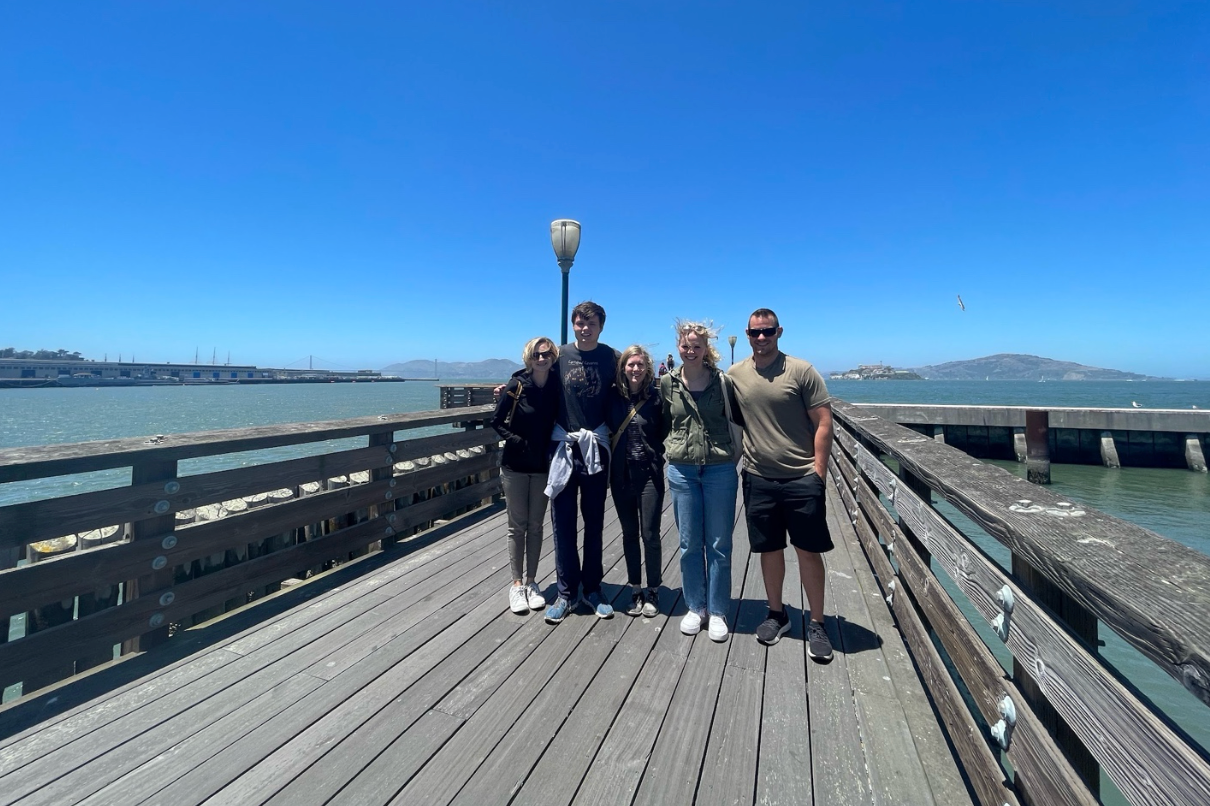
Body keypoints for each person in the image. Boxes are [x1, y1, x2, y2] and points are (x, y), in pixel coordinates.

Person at [727, 308, 835, 662]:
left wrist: (818, 473)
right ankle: (777, 614)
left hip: (802, 477)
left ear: (779, 332)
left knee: (808, 550)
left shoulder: (801, 371)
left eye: (768, 332)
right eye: (755, 333)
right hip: (758, 477)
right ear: (746, 334)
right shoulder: (735, 375)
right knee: (769, 550)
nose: (762, 338)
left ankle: (817, 622)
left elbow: (823, 422)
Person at [660, 320, 738, 642]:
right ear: (678, 346)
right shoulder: (667, 382)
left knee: (719, 544)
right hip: (681, 469)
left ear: (706, 349)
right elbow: (664, 421)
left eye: (696, 346)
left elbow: (738, 418)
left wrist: (735, 456)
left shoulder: (722, 381)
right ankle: (696, 606)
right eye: (685, 345)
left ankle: (717, 610)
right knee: (690, 543)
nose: (690, 351)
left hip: (719, 469)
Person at [544, 301, 619, 623]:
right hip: (563, 446)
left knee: (594, 522)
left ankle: (592, 588)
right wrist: (509, 391)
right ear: (573, 325)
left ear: (601, 326)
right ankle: (565, 592)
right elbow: (534, 378)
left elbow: (633, 387)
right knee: (562, 524)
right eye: (579, 322)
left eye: (591, 323)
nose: (584, 328)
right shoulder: (559, 356)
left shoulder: (611, 357)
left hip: (595, 449)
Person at [491, 336, 560, 614]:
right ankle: (516, 584)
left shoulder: (557, 385)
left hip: (543, 466)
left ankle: (533, 582)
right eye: (536, 355)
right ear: (528, 358)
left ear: (553, 357)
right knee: (516, 527)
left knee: (536, 526)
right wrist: (515, 440)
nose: (541, 359)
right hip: (515, 466)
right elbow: (496, 421)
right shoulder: (517, 385)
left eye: (546, 354)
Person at [607, 345, 668, 618]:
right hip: (621, 476)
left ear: (647, 368)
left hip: (649, 475)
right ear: (623, 368)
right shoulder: (613, 398)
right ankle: (635, 588)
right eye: (630, 364)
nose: (635, 369)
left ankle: (653, 588)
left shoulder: (656, 399)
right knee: (630, 534)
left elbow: (666, 430)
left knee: (651, 535)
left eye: (640, 365)